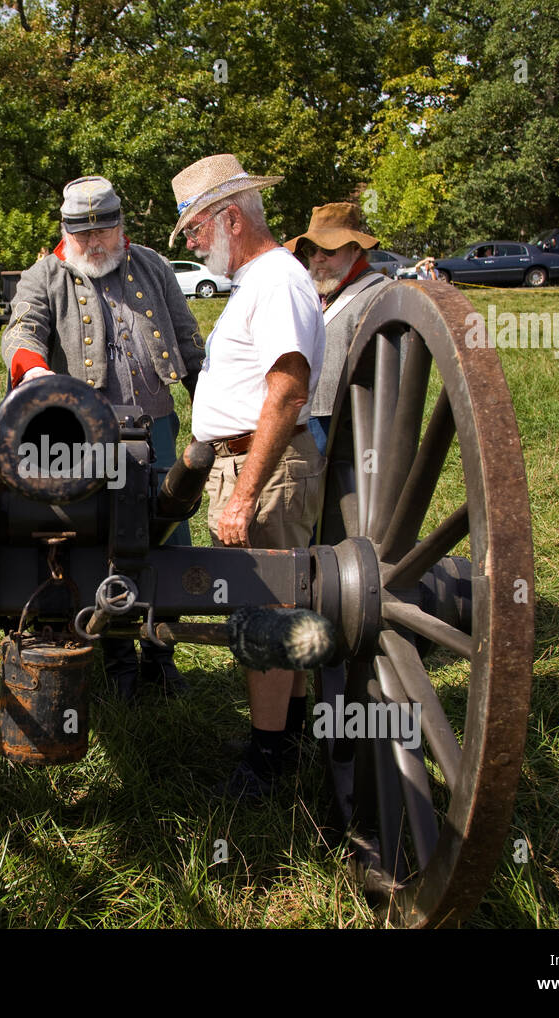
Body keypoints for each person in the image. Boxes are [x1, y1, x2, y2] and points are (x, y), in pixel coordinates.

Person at [1, 175, 205, 700]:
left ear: (121, 227)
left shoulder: (154, 265)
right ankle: (118, 658)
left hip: (156, 425)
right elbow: (21, 331)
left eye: (103, 231)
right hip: (89, 437)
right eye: (82, 233)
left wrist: (207, 394)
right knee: (107, 540)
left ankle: (162, 651)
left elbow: (185, 336)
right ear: (66, 231)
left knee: (168, 532)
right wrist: (33, 370)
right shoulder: (44, 275)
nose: (94, 243)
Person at [169, 154, 326, 799]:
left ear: (231, 219)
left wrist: (243, 493)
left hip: (266, 464)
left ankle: (266, 763)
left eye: (197, 231)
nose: (195, 244)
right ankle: (288, 736)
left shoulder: (277, 281)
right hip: (245, 460)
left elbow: (286, 391)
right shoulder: (261, 281)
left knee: (266, 608)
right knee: (275, 606)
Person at [285, 202, 393, 457]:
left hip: (351, 422)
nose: (318, 257)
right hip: (307, 415)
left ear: (355, 249)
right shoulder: (319, 294)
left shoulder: (380, 293)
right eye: (311, 250)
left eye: (329, 250)